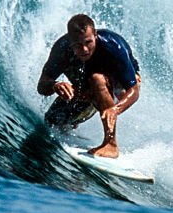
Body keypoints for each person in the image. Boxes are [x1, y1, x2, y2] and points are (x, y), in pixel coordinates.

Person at [37, 14, 141, 158]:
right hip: (87, 89)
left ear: (95, 35)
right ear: (70, 40)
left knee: (97, 79)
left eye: (88, 42)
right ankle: (72, 125)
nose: (85, 49)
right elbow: (41, 86)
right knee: (52, 121)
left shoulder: (112, 46)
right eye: (78, 45)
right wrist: (55, 85)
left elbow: (134, 91)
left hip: (119, 84)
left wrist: (115, 110)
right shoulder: (62, 49)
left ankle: (111, 144)